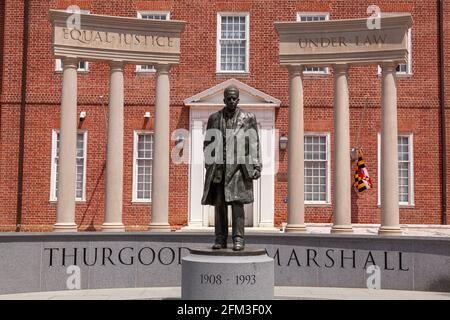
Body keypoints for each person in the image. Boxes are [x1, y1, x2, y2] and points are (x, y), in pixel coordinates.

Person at [201, 85, 262, 251]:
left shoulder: (248, 117)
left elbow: (254, 143)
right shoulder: (214, 118)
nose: (231, 101)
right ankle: (220, 239)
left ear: (238, 99)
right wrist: (209, 163)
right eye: (229, 98)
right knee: (219, 205)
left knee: (237, 205)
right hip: (219, 169)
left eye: (234, 98)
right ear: (224, 99)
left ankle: (238, 239)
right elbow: (208, 143)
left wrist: (256, 165)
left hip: (238, 169)